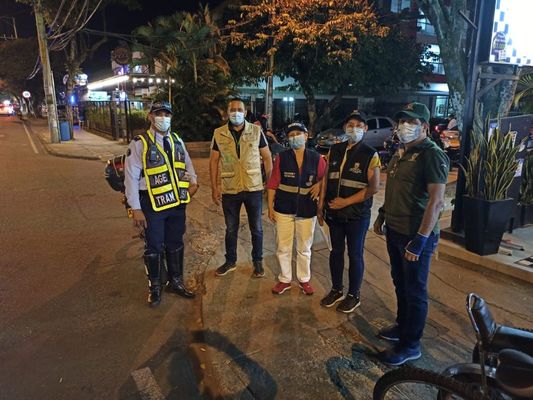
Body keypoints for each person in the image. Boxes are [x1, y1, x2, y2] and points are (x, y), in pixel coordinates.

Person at [373, 102, 449, 365]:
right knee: (400, 283)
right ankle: (402, 326)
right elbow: (394, 190)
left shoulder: (432, 155)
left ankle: (411, 344)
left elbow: (436, 201)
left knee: (415, 290)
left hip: (415, 235)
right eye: (402, 121)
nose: (404, 126)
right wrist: (382, 215)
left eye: (412, 122)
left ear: (424, 126)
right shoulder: (400, 153)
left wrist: (420, 240)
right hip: (395, 230)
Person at [124, 101, 198, 307]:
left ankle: (176, 282)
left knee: (175, 243)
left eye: (167, 114)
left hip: (176, 204)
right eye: (158, 114)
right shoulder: (139, 143)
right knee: (154, 246)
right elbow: (131, 178)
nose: (163, 118)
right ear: (150, 116)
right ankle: (155, 287)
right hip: (152, 205)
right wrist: (135, 208)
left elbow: (187, 165)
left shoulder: (177, 140)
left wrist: (194, 183)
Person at [318, 112, 381, 313]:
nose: (354, 128)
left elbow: (374, 188)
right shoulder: (335, 150)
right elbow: (326, 178)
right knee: (335, 252)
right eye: (350, 124)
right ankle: (336, 290)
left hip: (356, 215)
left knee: (355, 254)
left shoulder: (370, 154)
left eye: (359, 125)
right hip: (334, 213)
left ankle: (354, 295)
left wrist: (345, 202)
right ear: (345, 127)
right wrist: (320, 205)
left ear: (365, 129)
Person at [210, 98, 273, 278]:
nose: (236, 113)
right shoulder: (219, 133)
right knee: (231, 228)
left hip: (253, 188)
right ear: (227, 113)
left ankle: (257, 261)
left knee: (257, 228)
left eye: (239, 110)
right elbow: (214, 161)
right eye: (233, 110)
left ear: (245, 113)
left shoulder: (256, 131)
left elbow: (267, 158)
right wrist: (214, 188)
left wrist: (270, 184)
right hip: (230, 189)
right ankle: (230, 261)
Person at [266, 123, 326, 295]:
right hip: (283, 209)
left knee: (304, 248)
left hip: (307, 210)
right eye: (291, 135)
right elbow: (273, 183)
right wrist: (270, 207)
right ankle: (284, 279)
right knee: (283, 246)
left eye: (298, 133)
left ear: (306, 136)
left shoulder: (316, 158)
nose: (294, 137)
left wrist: (319, 184)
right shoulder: (282, 157)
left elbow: (326, 178)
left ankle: (304, 279)